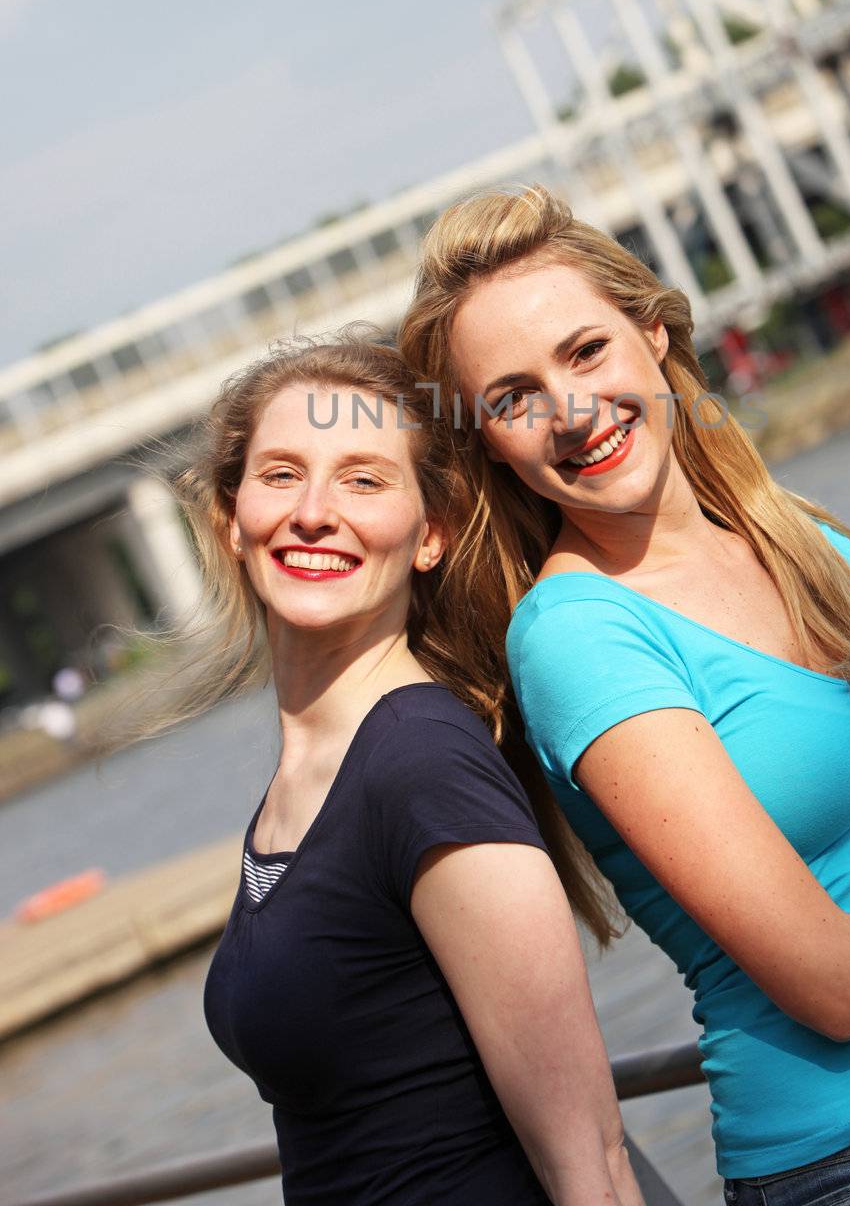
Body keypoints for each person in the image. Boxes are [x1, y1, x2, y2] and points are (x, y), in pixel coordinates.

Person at [398, 184, 850, 1205]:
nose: (572, 412)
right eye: (514, 396)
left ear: (653, 332)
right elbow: (830, 982)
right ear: (488, 439)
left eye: (585, 352)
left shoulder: (796, 537)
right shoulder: (578, 636)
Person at [171, 330, 641, 1205]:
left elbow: (593, 1164)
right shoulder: (310, 778)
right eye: (280, 474)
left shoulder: (422, 766)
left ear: (432, 534)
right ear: (229, 520)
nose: (314, 511)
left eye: (362, 478)